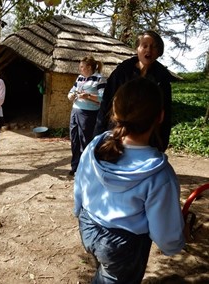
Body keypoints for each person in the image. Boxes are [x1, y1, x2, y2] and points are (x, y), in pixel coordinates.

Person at [74, 77, 185, 283]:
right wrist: (174, 244)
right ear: (160, 116)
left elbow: (80, 184)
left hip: (88, 226)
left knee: (105, 270)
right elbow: (165, 234)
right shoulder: (160, 174)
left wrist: (78, 212)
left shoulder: (95, 147)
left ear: (115, 113)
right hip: (123, 246)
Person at [94, 30, 175, 152]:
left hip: (147, 139)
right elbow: (106, 104)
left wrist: (162, 144)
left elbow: (165, 112)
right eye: (145, 46)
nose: (148, 50)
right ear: (137, 48)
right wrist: (98, 136)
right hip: (117, 134)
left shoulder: (162, 79)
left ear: (159, 52)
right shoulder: (121, 72)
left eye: (153, 47)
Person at [67, 56, 106, 176]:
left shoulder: (100, 79)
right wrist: (71, 95)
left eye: (82, 67)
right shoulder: (80, 78)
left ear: (89, 67)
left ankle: (86, 169)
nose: (80, 69)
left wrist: (88, 96)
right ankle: (75, 167)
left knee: (85, 141)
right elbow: (71, 91)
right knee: (74, 140)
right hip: (75, 111)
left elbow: (103, 98)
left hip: (88, 114)